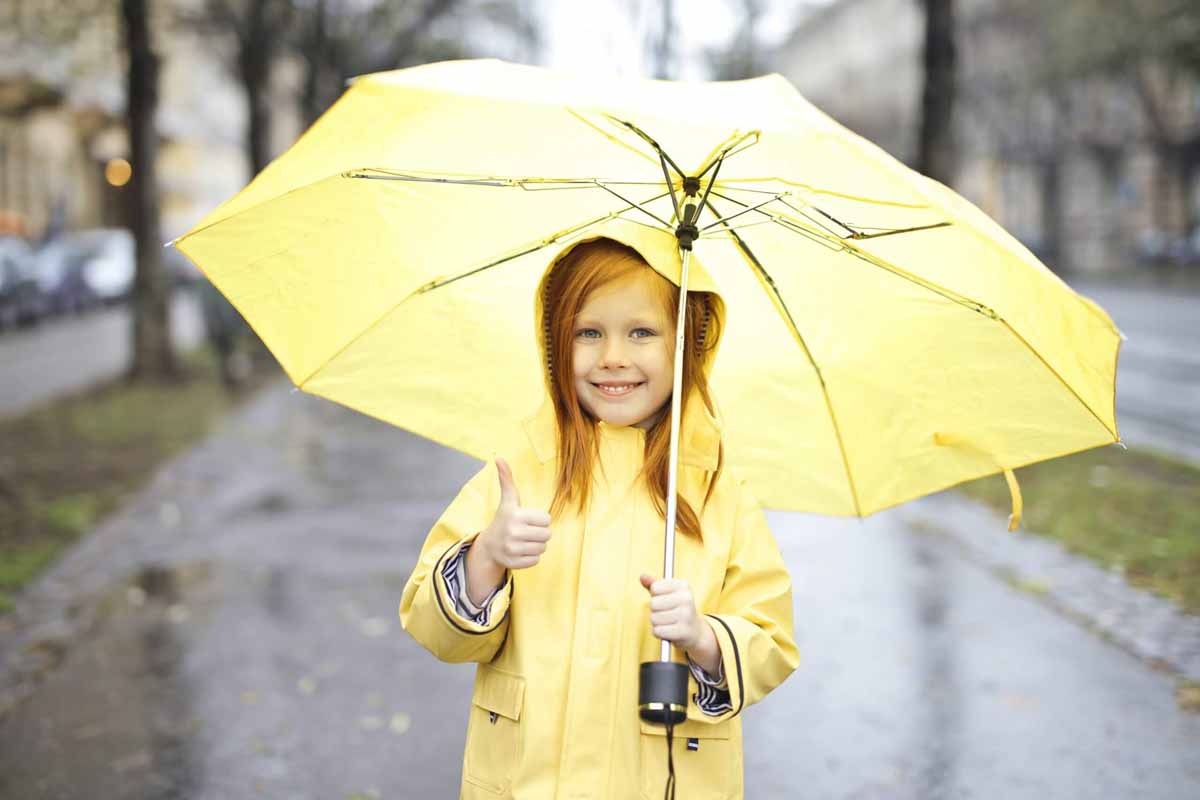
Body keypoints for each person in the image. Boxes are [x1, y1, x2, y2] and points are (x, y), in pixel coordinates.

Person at [399, 227, 799, 799]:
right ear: (556, 346)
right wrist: (486, 556)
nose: (613, 358)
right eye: (588, 333)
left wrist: (704, 637)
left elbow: (772, 640)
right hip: (524, 782)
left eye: (641, 332)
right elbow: (431, 625)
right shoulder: (520, 474)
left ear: (686, 344)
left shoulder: (718, 495)